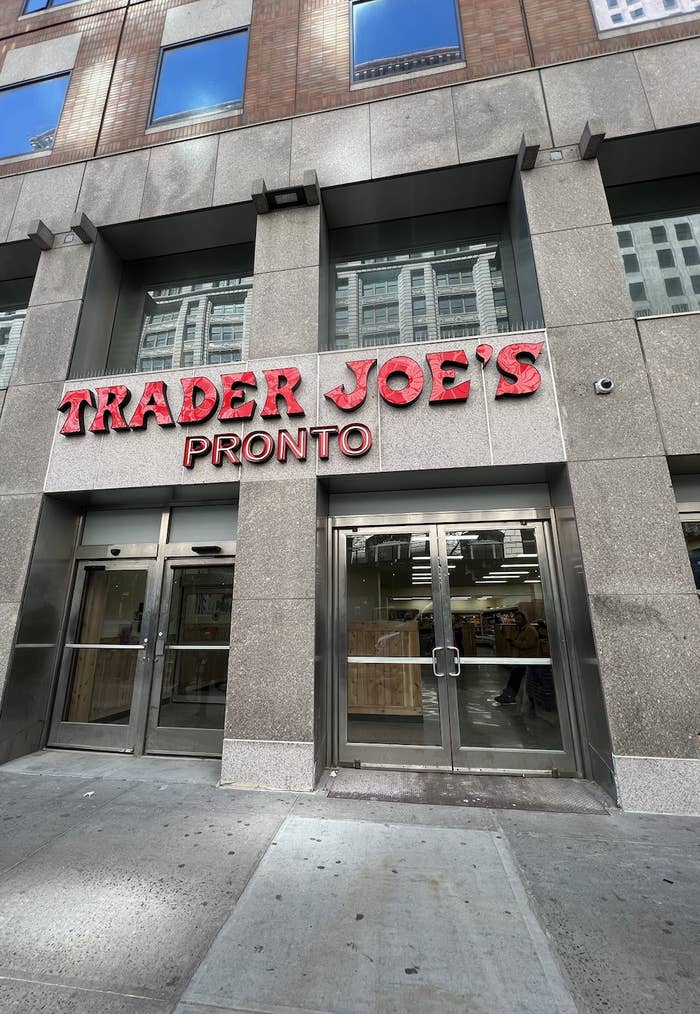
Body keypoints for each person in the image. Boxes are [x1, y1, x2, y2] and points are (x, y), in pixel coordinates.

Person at [494, 610, 539, 704]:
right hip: (522, 658)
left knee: (515, 676)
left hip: (528, 659)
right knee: (515, 675)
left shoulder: (530, 630)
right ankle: (509, 694)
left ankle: (509, 695)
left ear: (524, 619)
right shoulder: (520, 629)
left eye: (519, 619)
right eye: (516, 619)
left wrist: (514, 642)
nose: (517, 621)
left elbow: (528, 645)